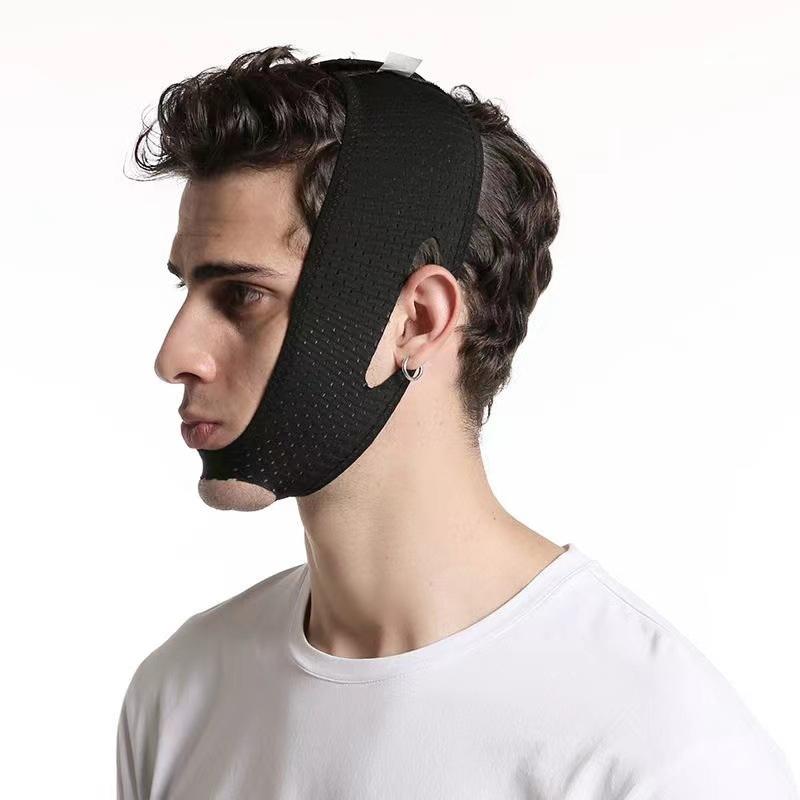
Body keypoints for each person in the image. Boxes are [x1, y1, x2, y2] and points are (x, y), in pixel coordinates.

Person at [116, 44, 798, 799]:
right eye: (186, 290)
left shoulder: (656, 751)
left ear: (417, 320)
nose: (175, 356)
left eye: (242, 296)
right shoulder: (180, 695)